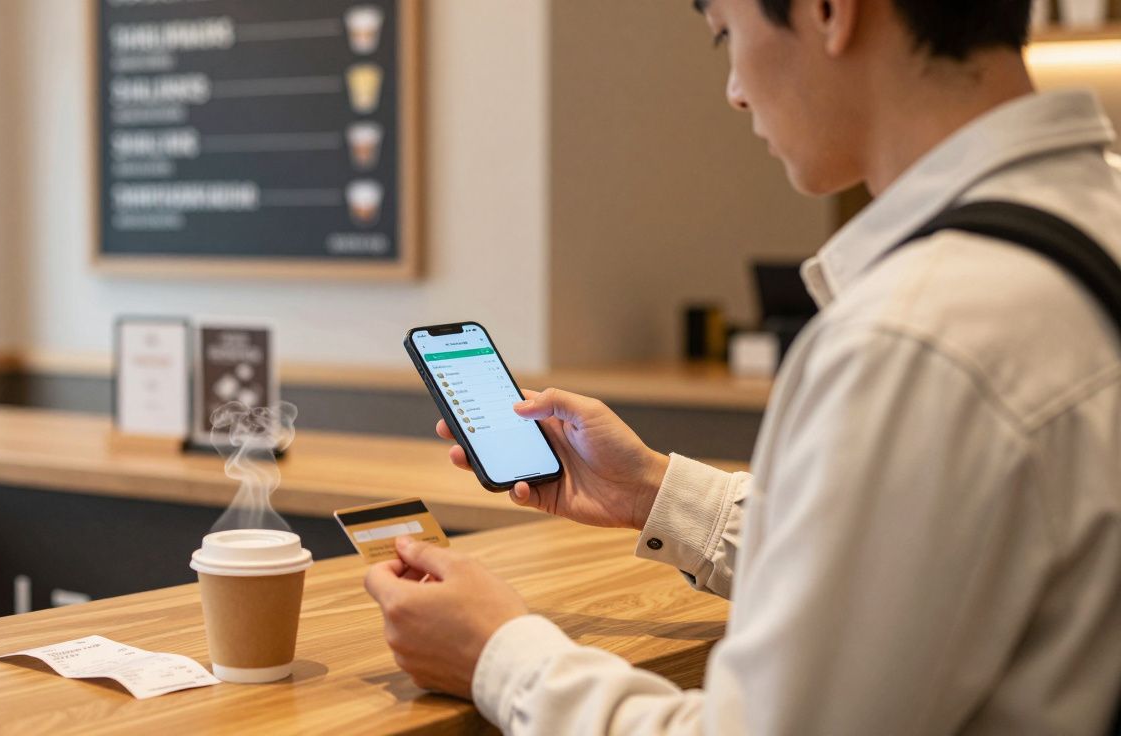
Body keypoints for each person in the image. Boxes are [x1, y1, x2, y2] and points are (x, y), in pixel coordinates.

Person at [364, 0, 1121, 732]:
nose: (734, 91)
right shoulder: (1096, 215)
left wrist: (499, 656)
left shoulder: (914, 337)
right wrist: (652, 488)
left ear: (830, 11)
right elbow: (924, 561)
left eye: (724, 34)